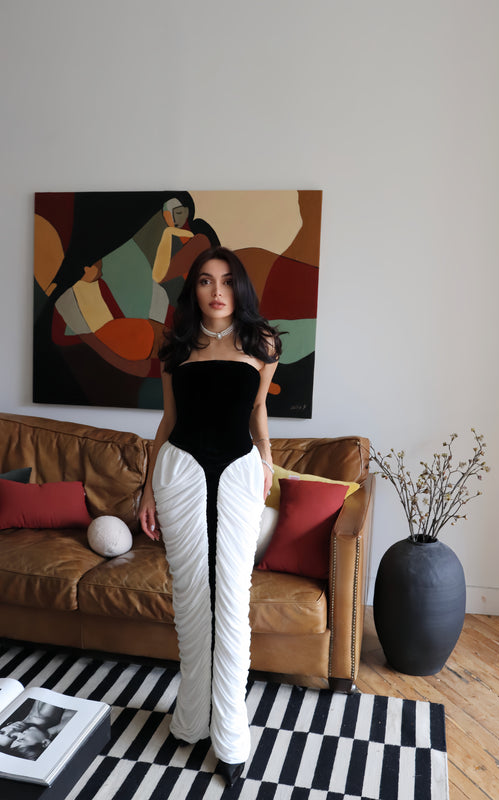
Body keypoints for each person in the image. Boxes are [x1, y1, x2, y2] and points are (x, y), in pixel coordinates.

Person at [139, 245, 281, 787]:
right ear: (193, 289)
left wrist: (267, 459)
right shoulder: (176, 345)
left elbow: (258, 409)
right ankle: (192, 718)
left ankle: (231, 733)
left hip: (241, 473)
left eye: (225, 280)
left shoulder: (261, 343)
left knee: (232, 600)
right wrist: (148, 490)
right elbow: (168, 419)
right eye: (204, 280)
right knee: (191, 598)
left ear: (238, 287)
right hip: (179, 472)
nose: (216, 291)